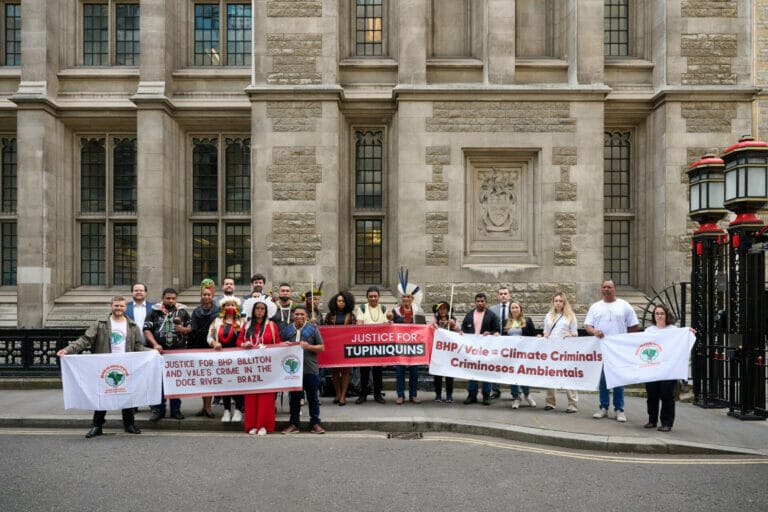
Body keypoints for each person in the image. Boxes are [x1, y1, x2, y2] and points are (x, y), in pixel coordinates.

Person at [56, 296, 151, 438]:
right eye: (116, 306)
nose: (118, 308)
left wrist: (153, 352)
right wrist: (68, 350)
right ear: (111, 306)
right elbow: (85, 339)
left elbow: (138, 346)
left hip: (125, 365)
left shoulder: (132, 326)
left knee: (127, 394)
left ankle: (129, 424)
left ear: (126, 308)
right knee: (103, 395)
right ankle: (97, 425)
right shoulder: (100, 324)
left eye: (121, 306)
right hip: (105, 365)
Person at [584, 280, 640, 422]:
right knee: (603, 379)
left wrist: (624, 339)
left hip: (618, 349)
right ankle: (603, 407)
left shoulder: (624, 306)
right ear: (601, 289)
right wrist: (595, 331)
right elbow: (587, 325)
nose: (606, 289)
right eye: (604, 287)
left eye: (609, 287)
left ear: (614, 289)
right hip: (601, 348)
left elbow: (634, 326)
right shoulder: (595, 307)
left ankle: (619, 409)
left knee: (618, 379)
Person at [144, 288, 191, 422]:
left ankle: (176, 410)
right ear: (163, 298)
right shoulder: (154, 312)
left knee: (175, 381)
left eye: (173, 298)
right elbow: (147, 330)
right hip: (159, 353)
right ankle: (159, 410)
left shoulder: (182, 312)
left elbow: (191, 327)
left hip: (177, 353)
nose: (171, 301)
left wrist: (184, 329)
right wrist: (155, 344)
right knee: (159, 382)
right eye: (168, 298)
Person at [238, 296, 281, 435]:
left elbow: (278, 343)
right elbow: (239, 341)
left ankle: (263, 425)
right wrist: (244, 344)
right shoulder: (246, 325)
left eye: (262, 309)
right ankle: (251, 425)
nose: (260, 311)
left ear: (266, 311)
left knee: (266, 396)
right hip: (250, 366)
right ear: (253, 310)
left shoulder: (272, 326)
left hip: (267, 365)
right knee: (251, 396)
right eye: (257, 308)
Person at [281, 306, 326, 434]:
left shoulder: (313, 329)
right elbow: (279, 347)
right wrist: (284, 346)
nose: (299, 316)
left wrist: (309, 346)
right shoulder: (287, 330)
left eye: (302, 314)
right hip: (292, 370)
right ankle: (294, 424)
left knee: (313, 398)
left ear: (306, 315)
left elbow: (322, 347)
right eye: (297, 314)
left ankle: (315, 423)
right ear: (293, 316)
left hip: (310, 369)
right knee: (294, 399)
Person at [388, 268, 426, 404]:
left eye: (408, 297)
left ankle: (413, 395)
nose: (405, 299)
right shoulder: (395, 311)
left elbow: (423, 328)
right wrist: (389, 320)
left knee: (414, 372)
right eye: (403, 297)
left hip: (414, 346)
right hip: (400, 346)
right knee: (400, 372)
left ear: (412, 299)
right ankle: (400, 395)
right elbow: (390, 326)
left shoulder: (418, 311)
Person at [644, 304, 682, 432]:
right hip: (652, 367)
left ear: (666, 315)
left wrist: (689, 332)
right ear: (654, 316)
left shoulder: (673, 330)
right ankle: (652, 420)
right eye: (657, 313)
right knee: (652, 395)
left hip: (668, 368)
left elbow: (682, 339)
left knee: (667, 395)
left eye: (662, 313)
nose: (659, 316)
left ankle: (667, 423)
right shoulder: (649, 331)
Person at [208, 296, 245, 423]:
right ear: (223, 307)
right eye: (227, 305)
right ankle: (226, 410)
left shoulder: (242, 321)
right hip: (222, 357)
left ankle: (238, 410)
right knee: (226, 384)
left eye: (232, 305)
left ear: (237, 307)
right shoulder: (217, 321)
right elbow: (210, 337)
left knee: (238, 385)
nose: (230, 307)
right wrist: (214, 343)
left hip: (238, 358)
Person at [542, 292, 579, 413]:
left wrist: (570, 334)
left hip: (565, 351)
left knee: (568, 376)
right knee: (550, 375)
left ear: (564, 302)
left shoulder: (570, 316)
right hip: (551, 350)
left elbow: (575, 333)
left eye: (560, 301)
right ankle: (550, 402)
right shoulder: (548, 316)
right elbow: (546, 332)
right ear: (553, 302)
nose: (558, 303)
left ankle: (572, 404)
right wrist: (544, 337)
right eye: (556, 301)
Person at [461, 293, 500, 406]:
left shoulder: (491, 315)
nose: (480, 303)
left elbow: (497, 330)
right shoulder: (469, 315)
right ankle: (472, 395)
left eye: (482, 301)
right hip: (472, 350)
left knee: (485, 372)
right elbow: (464, 328)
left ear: (486, 302)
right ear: (475, 302)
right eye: (478, 301)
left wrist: (491, 333)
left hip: (486, 350)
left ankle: (486, 395)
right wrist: (462, 333)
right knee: (472, 372)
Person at [188, 279, 219, 418]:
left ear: (212, 296)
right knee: (203, 377)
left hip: (212, 345)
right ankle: (204, 406)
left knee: (211, 378)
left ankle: (209, 407)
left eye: (209, 295)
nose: (206, 297)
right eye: (204, 295)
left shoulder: (218, 310)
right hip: (199, 346)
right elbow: (193, 329)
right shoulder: (196, 311)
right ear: (201, 296)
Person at [355, 285, 388, 404]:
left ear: (379, 296)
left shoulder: (384, 308)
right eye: (370, 296)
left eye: (375, 296)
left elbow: (386, 326)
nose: (373, 298)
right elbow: (359, 324)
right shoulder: (362, 308)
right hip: (365, 344)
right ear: (367, 297)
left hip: (379, 345)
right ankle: (363, 394)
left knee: (377, 371)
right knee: (364, 370)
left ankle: (378, 395)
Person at [324, 291, 356, 406]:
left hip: (346, 347)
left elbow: (354, 331)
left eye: (343, 301)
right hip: (334, 347)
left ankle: (343, 395)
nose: (341, 303)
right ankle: (337, 393)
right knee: (335, 371)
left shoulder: (351, 315)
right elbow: (325, 330)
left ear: (346, 302)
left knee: (345, 372)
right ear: (335, 302)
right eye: (339, 301)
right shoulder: (330, 315)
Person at [505, 300, 538, 409]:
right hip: (511, 355)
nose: (514, 309)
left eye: (516, 307)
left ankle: (527, 395)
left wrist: (538, 336)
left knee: (524, 374)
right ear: (510, 310)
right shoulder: (506, 322)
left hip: (524, 354)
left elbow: (533, 335)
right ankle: (516, 398)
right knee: (512, 376)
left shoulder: (527, 321)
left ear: (520, 309)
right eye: (512, 308)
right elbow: (502, 337)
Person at [429, 301, 460, 402]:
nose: (442, 311)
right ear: (437, 310)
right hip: (437, 352)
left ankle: (449, 395)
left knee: (449, 374)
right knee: (437, 374)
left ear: (447, 310)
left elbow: (460, 330)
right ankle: (438, 395)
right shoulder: (434, 320)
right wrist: (433, 326)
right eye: (440, 309)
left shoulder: (453, 319)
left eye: (444, 308)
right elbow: (429, 329)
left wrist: (453, 325)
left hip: (449, 352)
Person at [489, 286, 511, 398]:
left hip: (511, 343)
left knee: (512, 366)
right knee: (495, 366)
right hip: (496, 342)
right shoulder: (492, 309)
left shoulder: (515, 307)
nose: (503, 295)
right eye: (501, 294)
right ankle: (496, 390)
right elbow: (489, 324)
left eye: (505, 293)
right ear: (498, 296)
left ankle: (516, 392)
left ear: (509, 295)